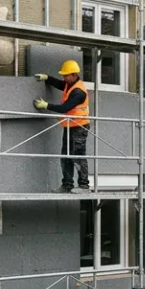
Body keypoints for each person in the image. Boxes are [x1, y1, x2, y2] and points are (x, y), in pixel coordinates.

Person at [33, 60, 89, 193]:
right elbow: (59, 84)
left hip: (79, 127)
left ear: (74, 75)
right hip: (70, 126)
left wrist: (47, 105)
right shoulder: (69, 84)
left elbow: (65, 108)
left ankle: (84, 186)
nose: (64, 77)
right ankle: (67, 185)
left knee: (78, 156)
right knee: (66, 156)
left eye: (66, 75)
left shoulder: (79, 92)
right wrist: (47, 78)